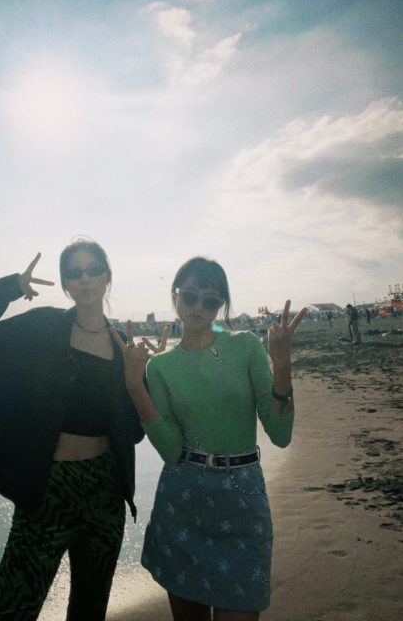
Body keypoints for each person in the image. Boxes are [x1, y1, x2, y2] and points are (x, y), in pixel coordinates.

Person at [0, 240, 144, 621]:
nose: (85, 278)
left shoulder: (123, 345)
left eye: (93, 269)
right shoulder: (41, 328)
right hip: (47, 489)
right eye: (74, 272)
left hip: (105, 493)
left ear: (107, 276)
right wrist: (9, 288)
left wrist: (136, 380)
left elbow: (132, 432)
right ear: (65, 283)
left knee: (89, 610)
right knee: (9, 610)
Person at [112, 256, 307, 621]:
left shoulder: (245, 347)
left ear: (221, 305)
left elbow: (280, 434)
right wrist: (135, 386)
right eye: (190, 295)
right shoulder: (161, 366)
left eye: (211, 300)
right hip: (182, 502)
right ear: (175, 296)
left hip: (243, 499)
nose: (198, 306)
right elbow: (170, 449)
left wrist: (282, 365)